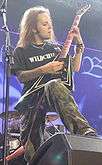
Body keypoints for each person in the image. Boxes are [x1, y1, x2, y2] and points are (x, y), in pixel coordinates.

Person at [11, 6, 97, 162]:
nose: (50, 27)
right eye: (44, 24)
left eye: (50, 23)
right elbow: (21, 76)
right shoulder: (21, 50)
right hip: (30, 102)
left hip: (50, 93)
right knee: (33, 153)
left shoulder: (55, 48)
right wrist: (44, 69)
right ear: (33, 28)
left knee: (54, 84)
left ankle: (84, 132)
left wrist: (79, 46)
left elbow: (75, 68)